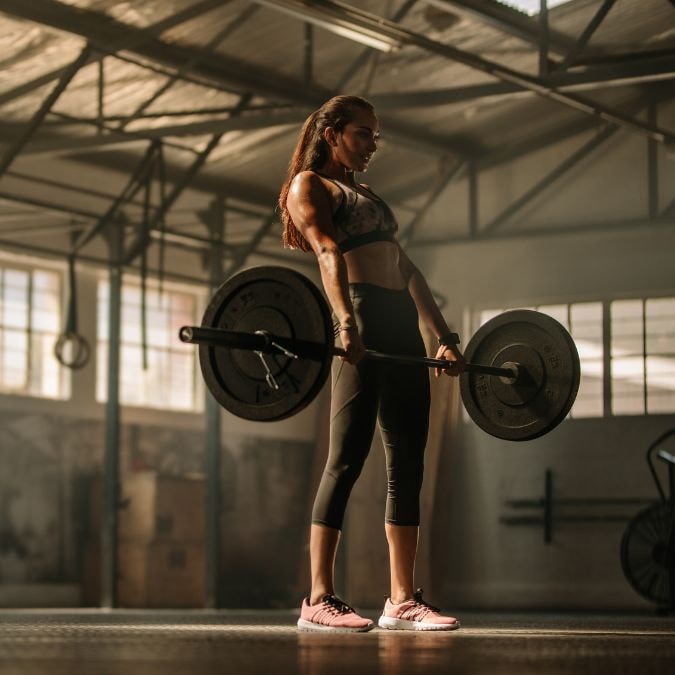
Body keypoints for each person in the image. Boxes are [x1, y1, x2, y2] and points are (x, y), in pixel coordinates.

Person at [279, 95, 465, 632]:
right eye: (363, 134)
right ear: (332, 133)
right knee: (347, 457)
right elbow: (327, 253)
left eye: (376, 137)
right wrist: (344, 323)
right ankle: (318, 599)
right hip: (358, 313)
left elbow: (406, 268)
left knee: (408, 458)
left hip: (400, 322)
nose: (372, 146)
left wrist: (445, 337)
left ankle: (401, 601)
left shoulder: (369, 195)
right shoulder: (309, 186)